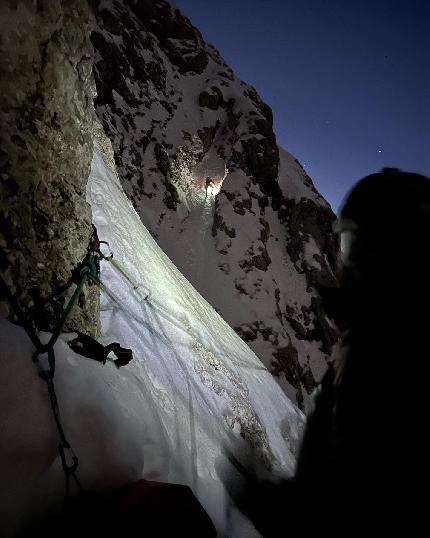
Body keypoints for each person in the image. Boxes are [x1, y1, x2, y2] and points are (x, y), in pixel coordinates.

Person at [224, 168, 430, 536]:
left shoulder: (385, 362)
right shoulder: (377, 342)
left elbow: (342, 512)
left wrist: (264, 502)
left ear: (382, 254)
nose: (340, 261)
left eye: (350, 246)